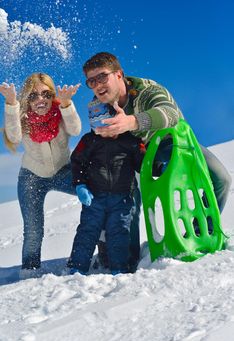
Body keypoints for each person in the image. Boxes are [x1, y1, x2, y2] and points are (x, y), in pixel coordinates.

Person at [82, 51, 232, 271]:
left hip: (172, 143)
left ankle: (200, 232)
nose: (97, 85)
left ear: (119, 75)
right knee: (127, 197)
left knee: (221, 178)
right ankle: (126, 258)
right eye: (91, 81)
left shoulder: (147, 90)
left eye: (102, 77)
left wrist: (132, 121)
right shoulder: (98, 106)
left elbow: (169, 113)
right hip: (137, 153)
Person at [0, 73, 82, 278]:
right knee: (33, 228)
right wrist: (11, 103)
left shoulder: (61, 110)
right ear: (27, 98)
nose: (40, 100)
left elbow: (76, 128)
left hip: (64, 171)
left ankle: (99, 249)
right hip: (32, 177)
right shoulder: (23, 116)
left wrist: (67, 104)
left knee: (97, 198)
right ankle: (29, 271)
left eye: (46, 94)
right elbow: (14, 136)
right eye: (34, 95)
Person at [67, 100, 146, 275]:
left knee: (119, 232)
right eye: (98, 129)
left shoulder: (131, 141)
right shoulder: (89, 141)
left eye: (107, 127)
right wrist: (80, 185)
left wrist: (155, 165)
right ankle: (77, 267)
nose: (104, 133)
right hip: (94, 197)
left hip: (122, 197)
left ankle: (119, 269)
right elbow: (77, 161)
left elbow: (143, 164)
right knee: (87, 231)